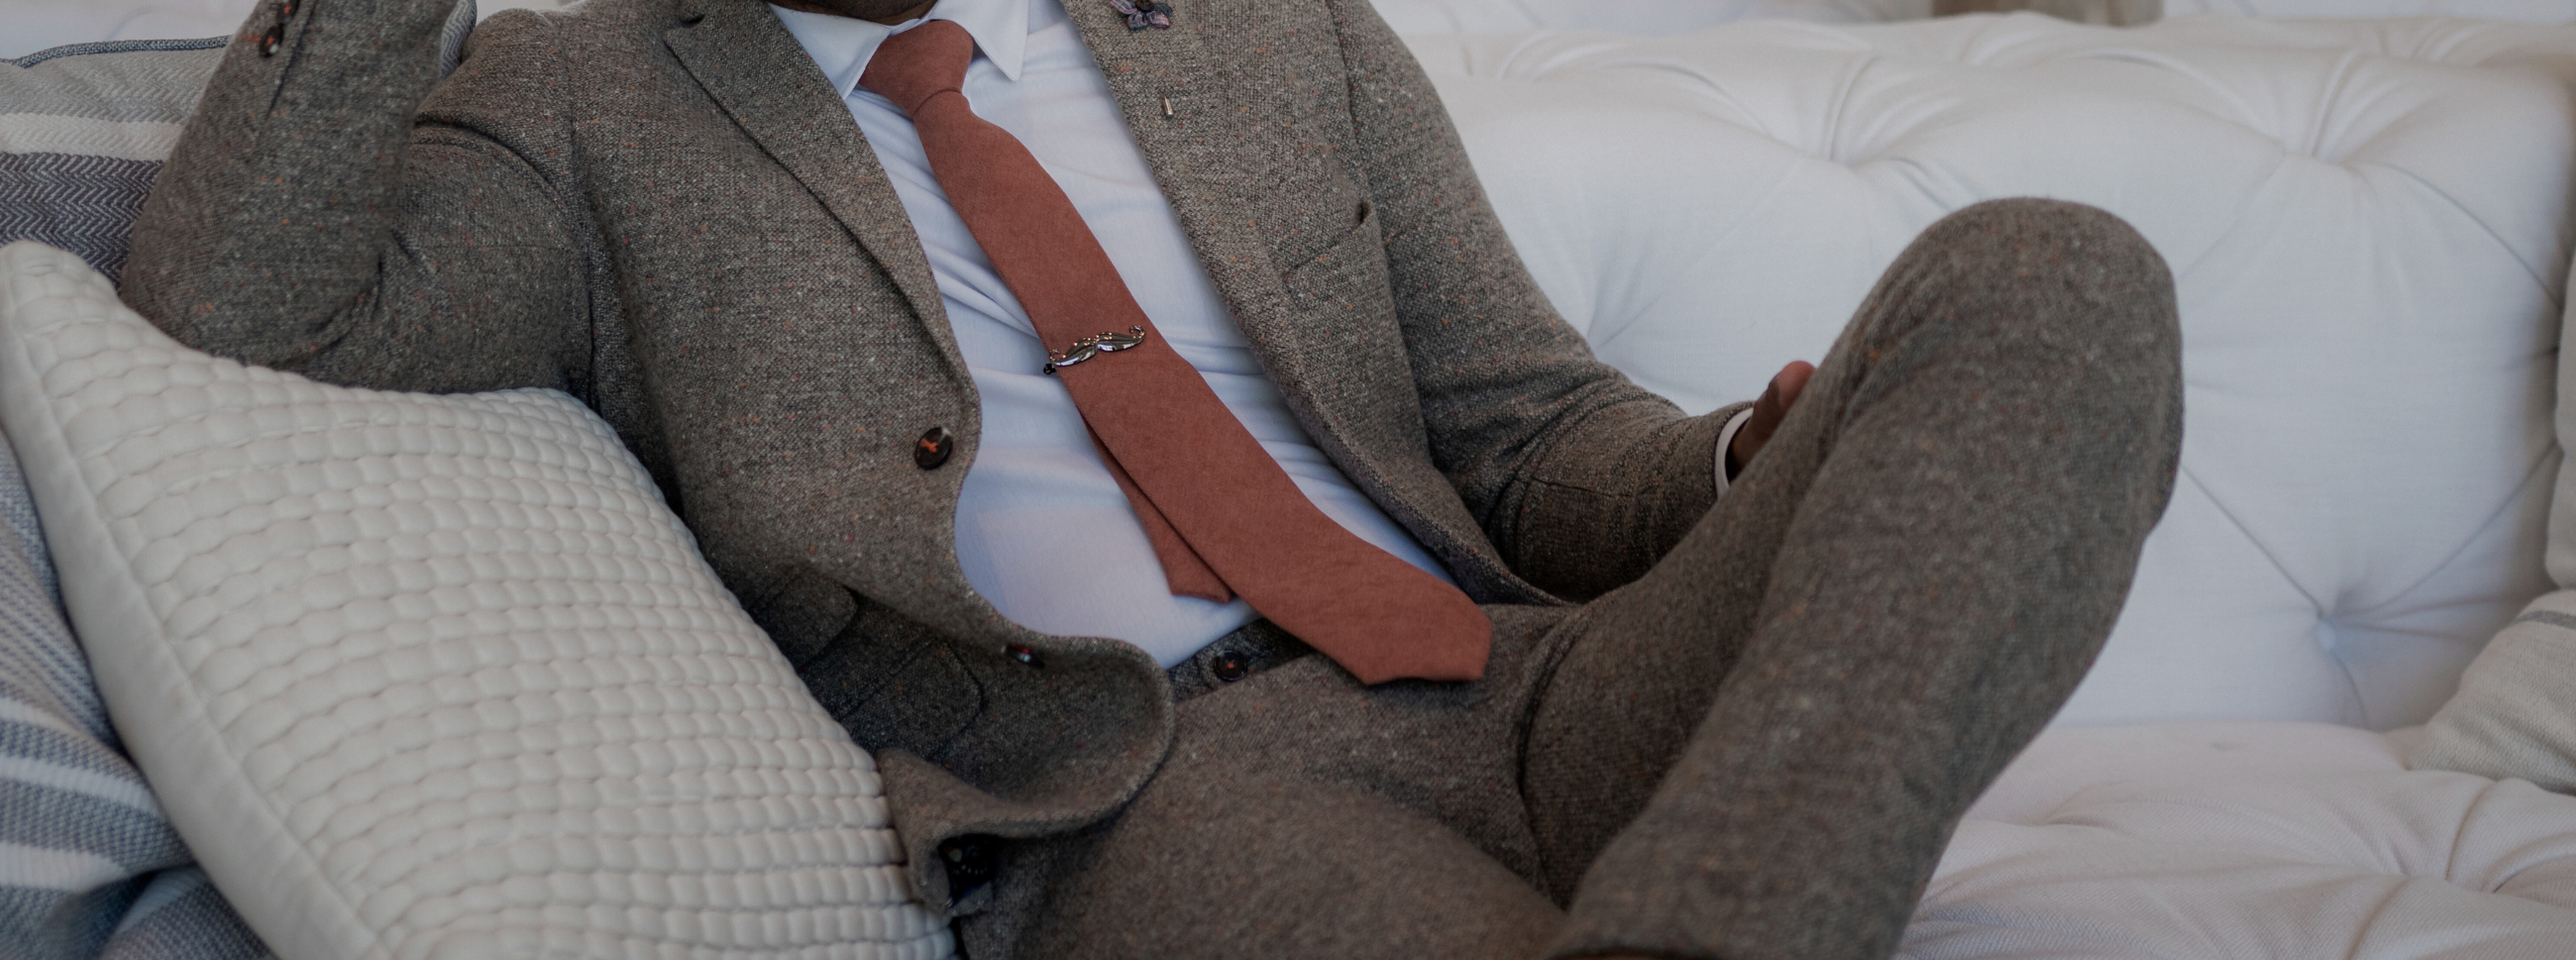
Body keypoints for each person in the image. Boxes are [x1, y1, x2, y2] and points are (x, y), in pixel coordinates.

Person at [119, 0, 2183, 956]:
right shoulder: (581, 102)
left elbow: (1539, 447)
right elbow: (256, 302)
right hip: (1153, 789)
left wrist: (1748, 457)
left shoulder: (1277, 40)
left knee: (2054, 276)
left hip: (1542, 674)